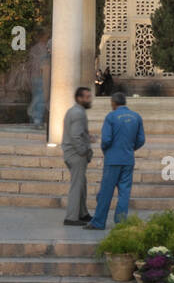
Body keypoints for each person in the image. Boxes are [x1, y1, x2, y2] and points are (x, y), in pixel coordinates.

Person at [85, 92, 145, 230]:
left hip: (112, 159)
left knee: (106, 192)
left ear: (113, 103)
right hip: (128, 159)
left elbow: (106, 140)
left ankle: (98, 222)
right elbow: (141, 140)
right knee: (124, 193)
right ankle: (121, 223)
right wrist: (130, 148)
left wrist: (106, 150)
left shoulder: (111, 117)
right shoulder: (136, 117)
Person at [62, 86, 94, 226]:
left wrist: (88, 138)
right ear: (79, 98)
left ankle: (82, 213)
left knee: (81, 184)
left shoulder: (75, 111)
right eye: (86, 97)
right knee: (77, 185)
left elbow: (79, 133)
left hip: (73, 153)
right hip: (76, 155)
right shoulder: (78, 113)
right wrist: (83, 151)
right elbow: (75, 136)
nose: (89, 99)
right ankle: (71, 217)